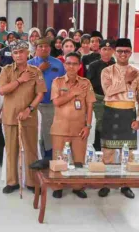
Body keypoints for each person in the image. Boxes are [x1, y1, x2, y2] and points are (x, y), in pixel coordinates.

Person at [99, 38, 139, 199]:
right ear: (114, 52)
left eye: (126, 51)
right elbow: (108, 91)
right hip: (111, 113)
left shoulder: (138, 74)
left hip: (129, 115)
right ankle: (106, 183)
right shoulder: (107, 71)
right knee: (108, 152)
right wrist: (125, 80)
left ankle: (125, 185)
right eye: (120, 51)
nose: (123, 54)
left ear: (131, 52)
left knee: (128, 153)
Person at [0, 40, 46, 194]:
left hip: (29, 117)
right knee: (11, 150)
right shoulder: (6, 70)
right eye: (15, 53)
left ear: (28, 53)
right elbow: (2, 90)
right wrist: (20, 80)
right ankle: (12, 182)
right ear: (12, 55)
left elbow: (40, 94)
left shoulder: (36, 71)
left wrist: (29, 109)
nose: (18, 55)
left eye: (21, 52)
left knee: (30, 150)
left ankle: (32, 182)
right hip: (10, 116)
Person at [50, 52, 96, 199]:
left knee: (79, 160)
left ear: (79, 66)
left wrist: (88, 126)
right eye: (68, 63)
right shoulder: (57, 82)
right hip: (60, 128)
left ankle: (77, 186)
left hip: (79, 129)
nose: (71, 66)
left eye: (74, 64)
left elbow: (90, 107)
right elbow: (56, 102)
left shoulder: (86, 83)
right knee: (58, 159)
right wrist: (72, 93)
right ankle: (58, 186)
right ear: (64, 65)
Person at [28, 38, 66, 159]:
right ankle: (37, 159)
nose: (44, 49)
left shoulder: (58, 63)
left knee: (50, 134)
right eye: (41, 47)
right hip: (34, 105)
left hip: (52, 105)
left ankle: (49, 159)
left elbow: (64, 83)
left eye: (46, 46)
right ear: (36, 49)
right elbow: (26, 82)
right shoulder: (30, 64)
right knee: (37, 134)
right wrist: (40, 69)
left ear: (50, 48)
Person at [86, 40, 116, 151]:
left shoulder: (116, 66)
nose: (107, 52)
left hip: (113, 98)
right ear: (99, 51)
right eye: (104, 49)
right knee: (100, 121)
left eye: (109, 49)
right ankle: (98, 145)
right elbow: (89, 83)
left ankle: (109, 145)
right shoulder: (94, 65)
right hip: (98, 98)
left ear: (113, 51)